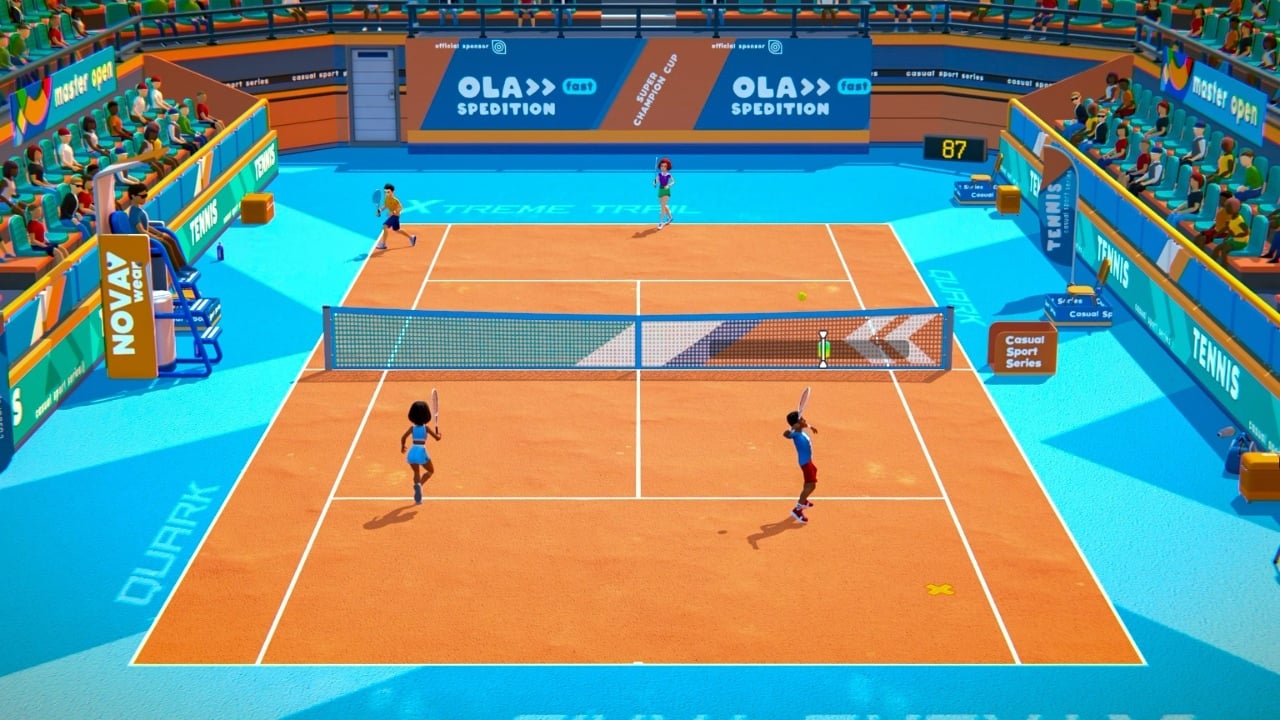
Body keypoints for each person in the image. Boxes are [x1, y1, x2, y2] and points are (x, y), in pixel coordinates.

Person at [400, 400, 441, 505]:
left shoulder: (412, 428)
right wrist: (439, 435)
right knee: (430, 471)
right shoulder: (426, 428)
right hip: (421, 452)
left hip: (412, 452)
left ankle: (417, 490)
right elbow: (437, 438)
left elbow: (403, 437)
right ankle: (419, 485)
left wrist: (403, 446)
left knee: (416, 472)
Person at [782, 410, 818, 524]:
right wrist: (791, 429)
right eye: (802, 419)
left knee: (812, 477)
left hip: (808, 460)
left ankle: (804, 500)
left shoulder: (800, 430)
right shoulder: (795, 433)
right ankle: (797, 510)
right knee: (811, 485)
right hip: (805, 463)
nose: (804, 420)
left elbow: (804, 425)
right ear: (796, 424)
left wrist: (810, 426)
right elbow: (785, 434)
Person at [375, 183, 416, 250]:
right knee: (397, 230)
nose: (386, 194)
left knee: (385, 226)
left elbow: (401, 208)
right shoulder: (386, 198)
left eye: (388, 192)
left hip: (395, 216)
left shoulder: (395, 200)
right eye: (385, 192)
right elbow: (385, 206)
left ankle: (383, 244)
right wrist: (379, 210)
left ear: (393, 192)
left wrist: (393, 212)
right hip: (394, 217)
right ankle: (411, 237)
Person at [654, 157, 675, 229]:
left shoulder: (669, 175)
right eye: (662, 166)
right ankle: (670, 217)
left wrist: (669, 185)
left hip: (666, 191)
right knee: (664, 205)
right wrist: (654, 183)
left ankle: (660, 223)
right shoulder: (659, 174)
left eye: (665, 166)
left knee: (662, 207)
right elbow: (656, 181)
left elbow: (673, 181)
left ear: (667, 167)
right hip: (660, 191)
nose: (663, 167)